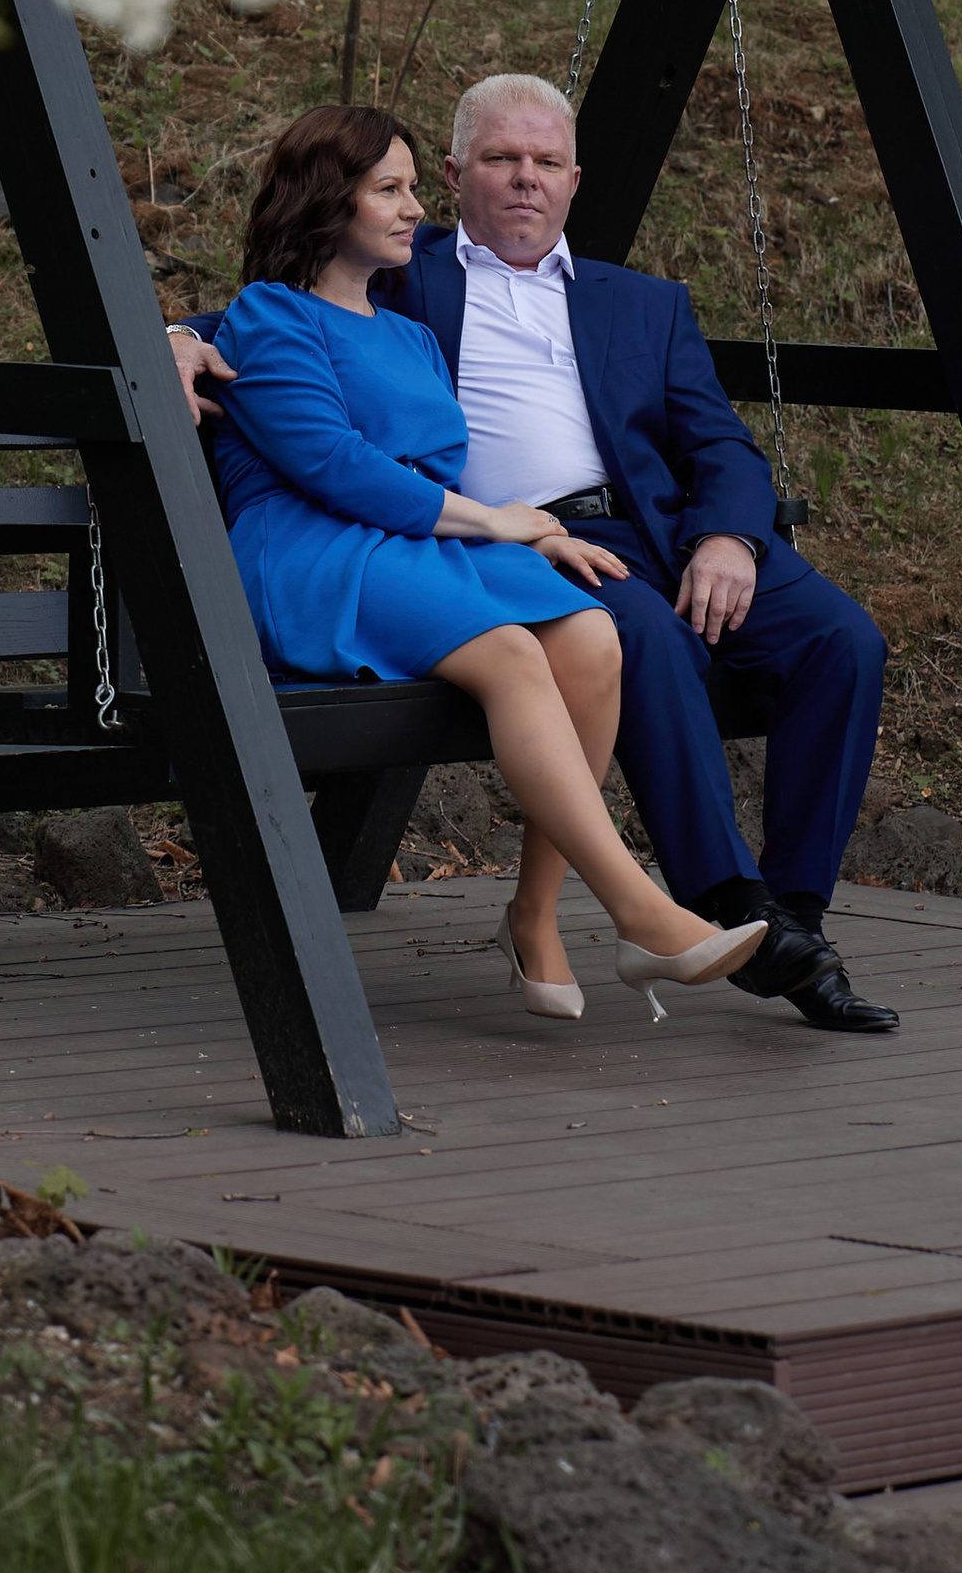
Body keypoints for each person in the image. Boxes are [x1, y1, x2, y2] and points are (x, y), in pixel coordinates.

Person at [176, 71, 897, 1034]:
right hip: (510, 534)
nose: (526, 180)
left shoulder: (642, 303)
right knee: (637, 632)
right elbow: (272, 325)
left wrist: (729, 536)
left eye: (546, 162)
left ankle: (795, 915)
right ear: (457, 171)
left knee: (842, 642)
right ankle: (725, 902)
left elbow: (720, 440)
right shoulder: (412, 272)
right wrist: (174, 332)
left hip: (657, 527)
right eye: (501, 160)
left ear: (575, 178)